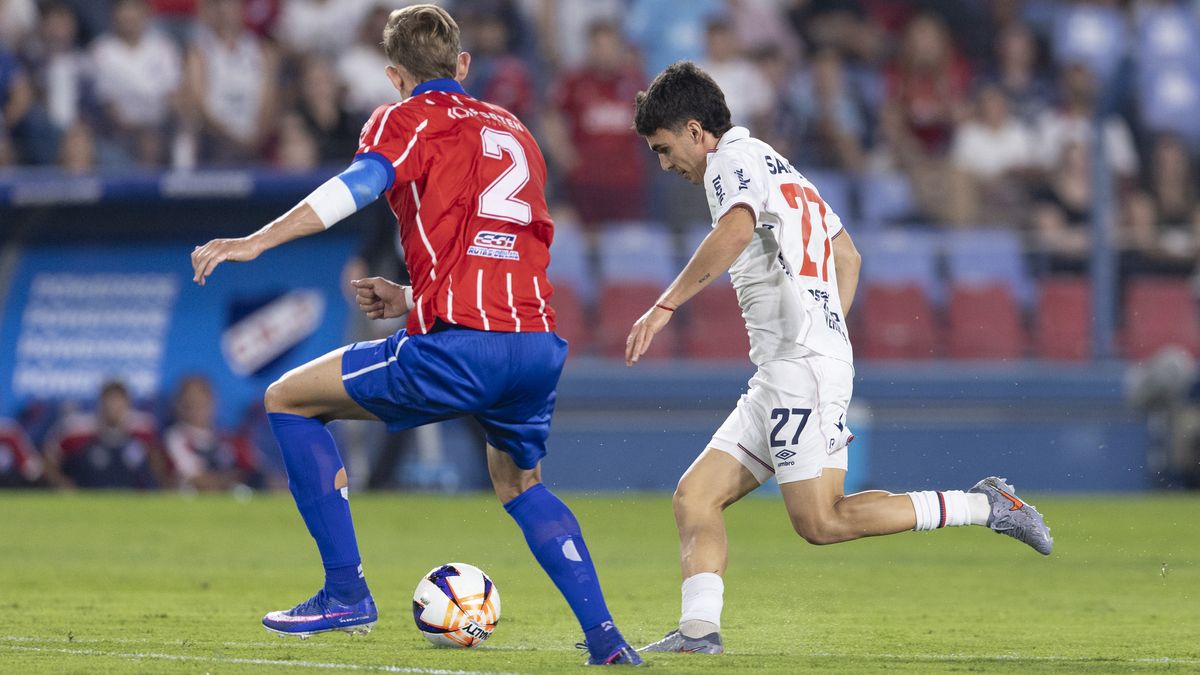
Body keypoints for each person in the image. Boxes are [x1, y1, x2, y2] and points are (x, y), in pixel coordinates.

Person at [189, 5, 641, 666]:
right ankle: (607, 640)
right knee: (520, 484)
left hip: (461, 344)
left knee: (288, 397)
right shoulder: (516, 130)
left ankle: (345, 591)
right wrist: (409, 298)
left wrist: (258, 240)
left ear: (395, 76)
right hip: (535, 342)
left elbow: (357, 187)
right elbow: (503, 247)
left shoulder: (404, 119)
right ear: (463, 66)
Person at [625, 61, 1054, 655]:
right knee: (695, 496)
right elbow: (846, 255)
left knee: (821, 522)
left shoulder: (730, 162)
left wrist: (664, 306)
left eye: (664, 148)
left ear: (696, 130)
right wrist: (830, 340)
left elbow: (736, 231)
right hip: (793, 367)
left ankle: (985, 505)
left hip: (799, 366)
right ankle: (698, 633)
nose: (665, 164)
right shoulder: (779, 166)